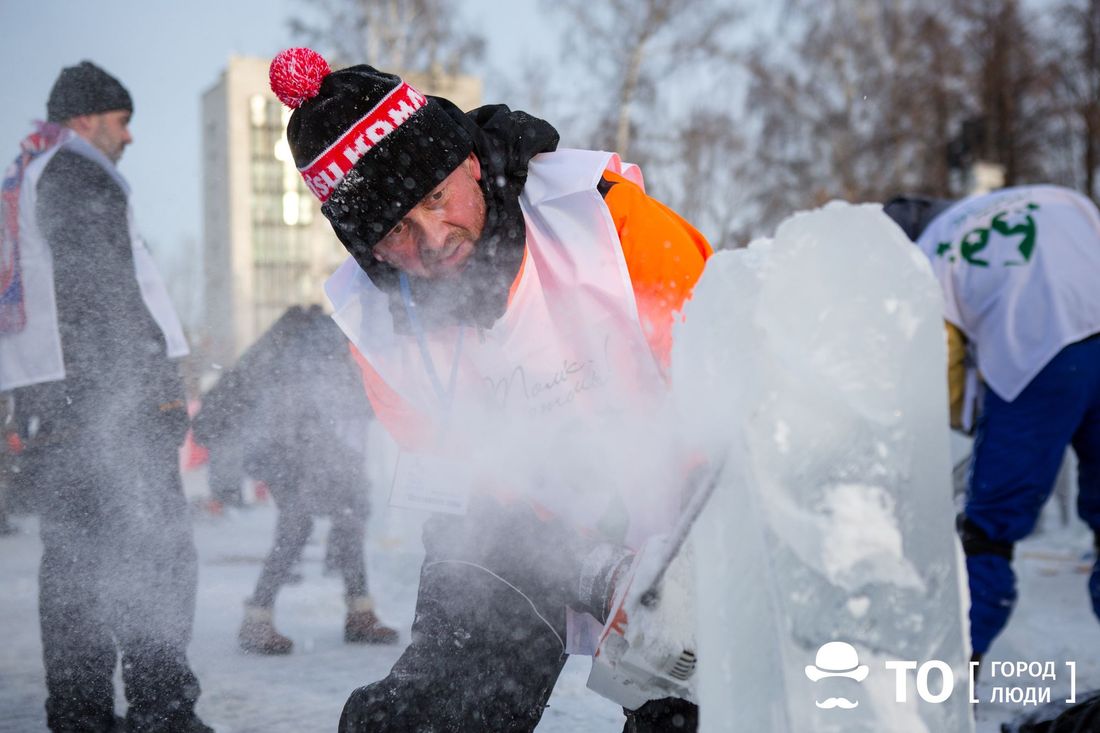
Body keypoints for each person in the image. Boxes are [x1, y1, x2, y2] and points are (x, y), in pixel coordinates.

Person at [267, 47, 712, 732]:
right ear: (370, 251)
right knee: (437, 710)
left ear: (470, 161)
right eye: (396, 230)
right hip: (520, 538)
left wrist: (665, 566)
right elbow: (470, 497)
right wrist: (591, 566)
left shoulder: (607, 222)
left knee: (694, 701)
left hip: (681, 516)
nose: (433, 238)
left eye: (437, 198)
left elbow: (717, 388)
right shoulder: (382, 338)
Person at [0, 61, 210, 732]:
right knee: (155, 552)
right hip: (107, 405)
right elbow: (103, 292)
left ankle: (82, 714)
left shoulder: (34, 174)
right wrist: (154, 390)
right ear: (86, 120)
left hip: (59, 407)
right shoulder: (75, 172)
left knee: (77, 567)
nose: (130, 137)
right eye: (122, 121)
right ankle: (162, 711)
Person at [884, 186, 1100, 665]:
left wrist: (972, 424)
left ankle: (956, 676)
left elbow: (944, 361)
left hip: (1036, 359)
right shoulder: (1058, 196)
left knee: (988, 531)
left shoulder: (929, 254)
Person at [192, 304, 398, 655]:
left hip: (303, 445)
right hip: (289, 448)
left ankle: (357, 613)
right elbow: (314, 400)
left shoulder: (322, 336)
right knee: (298, 525)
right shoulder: (326, 339)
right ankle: (258, 619)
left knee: (345, 519)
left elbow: (342, 400)